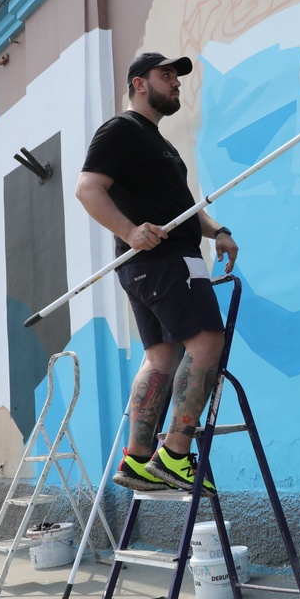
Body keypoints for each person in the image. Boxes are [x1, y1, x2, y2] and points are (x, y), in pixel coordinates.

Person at [75, 52, 238, 495]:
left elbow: (186, 208)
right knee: (207, 341)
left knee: (161, 355)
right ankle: (177, 455)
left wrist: (217, 229)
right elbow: (87, 188)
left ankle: (139, 458)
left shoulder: (158, 144)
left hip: (149, 265)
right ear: (139, 84)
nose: (176, 83)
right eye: (166, 75)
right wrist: (129, 231)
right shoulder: (123, 129)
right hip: (165, 260)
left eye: (177, 77)